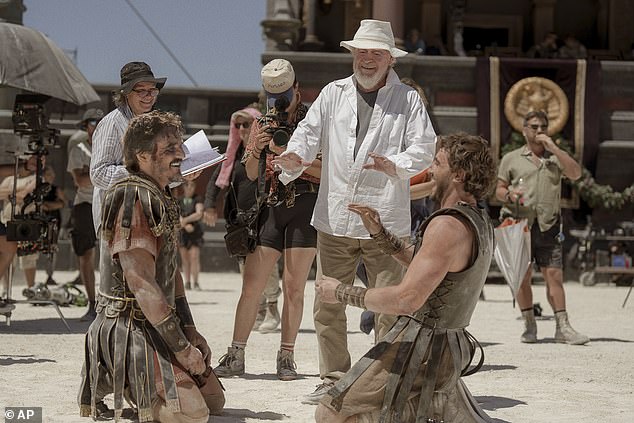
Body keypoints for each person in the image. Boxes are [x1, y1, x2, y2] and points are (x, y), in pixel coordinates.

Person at [272, 19, 436, 402]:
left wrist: (394, 164)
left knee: (389, 306)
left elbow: (425, 148)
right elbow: (308, 136)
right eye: (361, 52)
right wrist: (295, 157)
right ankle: (333, 378)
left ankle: (384, 380)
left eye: (376, 53)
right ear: (353, 55)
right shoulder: (333, 93)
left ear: (390, 59)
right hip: (335, 217)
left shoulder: (408, 99)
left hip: (383, 222)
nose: (366, 59)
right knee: (328, 301)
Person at [314, 132, 497, 422]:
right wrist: (380, 233)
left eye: (437, 163)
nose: (431, 170)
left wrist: (338, 292)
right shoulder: (478, 219)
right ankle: (431, 402)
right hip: (448, 345)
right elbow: (427, 265)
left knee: (331, 412)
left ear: (459, 175)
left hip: (425, 348)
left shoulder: (447, 226)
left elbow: (406, 299)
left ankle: (431, 405)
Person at [78, 110, 225, 422]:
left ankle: (159, 383)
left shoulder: (161, 193)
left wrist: (189, 331)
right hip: (129, 327)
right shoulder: (133, 195)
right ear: (142, 155)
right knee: (193, 415)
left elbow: (171, 273)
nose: (181, 154)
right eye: (169, 149)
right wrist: (183, 351)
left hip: (157, 319)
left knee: (215, 401)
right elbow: (141, 282)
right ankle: (133, 385)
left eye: (179, 146)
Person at [214, 59, 320, 381]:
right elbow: (248, 173)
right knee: (252, 286)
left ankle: (286, 357)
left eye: (285, 95)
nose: (280, 104)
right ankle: (236, 354)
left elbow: (327, 171)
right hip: (271, 208)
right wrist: (256, 150)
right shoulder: (264, 122)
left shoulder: (313, 119)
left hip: (305, 207)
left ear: (297, 90)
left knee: (294, 286)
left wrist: (297, 163)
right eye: (274, 98)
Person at [496, 110, 589, 345]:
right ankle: (529, 324)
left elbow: (576, 174)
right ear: (524, 129)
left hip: (548, 225)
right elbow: (498, 189)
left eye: (543, 127)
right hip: (519, 225)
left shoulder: (555, 158)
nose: (539, 131)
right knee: (522, 277)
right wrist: (509, 194)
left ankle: (563, 328)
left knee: (554, 276)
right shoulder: (511, 158)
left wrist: (555, 148)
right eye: (535, 127)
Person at [203, 105, 282, 333]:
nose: (241, 129)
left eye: (246, 124)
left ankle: (272, 308)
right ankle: (258, 309)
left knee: (266, 265)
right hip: (239, 219)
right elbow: (216, 180)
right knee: (244, 266)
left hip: (265, 216)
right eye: (237, 125)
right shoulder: (233, 156)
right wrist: (209, 205)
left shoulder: (269, 152)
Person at [67, 109, 102, 321]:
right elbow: (80, 181)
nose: (96, 125)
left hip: (107, 203)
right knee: (86, 255)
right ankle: (92, 303)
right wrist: (103, 173)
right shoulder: (78, 149)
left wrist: (91, 173)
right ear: (85, 126)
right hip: (86, 205)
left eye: (100, 121)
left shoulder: (113, 148)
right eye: (92, 121)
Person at [178, 180, 204, 290]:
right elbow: (176, 213)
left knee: (194, 257)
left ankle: (196, 282)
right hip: (183, 232)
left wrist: (185, 221)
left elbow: (199, 214)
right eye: (187, 185)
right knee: (184, 258)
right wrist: (184, 225)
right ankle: (187, 282)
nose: (189, 188)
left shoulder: (197, 198)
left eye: (192, 185)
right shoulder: (179, 199)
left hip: (194, 231)